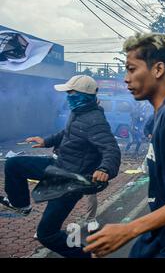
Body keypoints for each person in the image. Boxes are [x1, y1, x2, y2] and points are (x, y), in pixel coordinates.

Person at [84, 32, 165, 258]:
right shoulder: (160, 116)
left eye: (132, 69)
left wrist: (129, 229)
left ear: (158, 69)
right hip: (163, 237)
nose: (126, 78)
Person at [0, 75, 121, 258]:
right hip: (59, 164)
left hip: (70, 180)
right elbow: (67, 133)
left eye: (71, 92)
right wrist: (46, 141)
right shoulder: (78, 112)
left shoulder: (95, 121)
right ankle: (21, 205)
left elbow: (111, 150)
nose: (68, 96)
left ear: (83, 94)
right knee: (14, 164)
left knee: (46, 234)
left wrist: (105, 169)